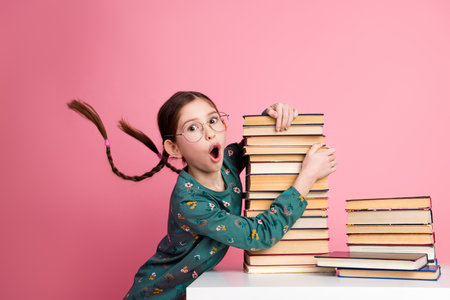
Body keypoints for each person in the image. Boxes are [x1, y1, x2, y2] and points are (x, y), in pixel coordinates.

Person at [67, 91, 337, 300]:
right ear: (174, 148)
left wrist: (272, 115)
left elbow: (257, 146)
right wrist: (307, 178)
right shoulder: (190, 202)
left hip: (196, 289)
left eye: (212, 120)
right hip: (159, 293)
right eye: (193, 128)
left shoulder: (229, 161)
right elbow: (259, 236)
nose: (209, 132)